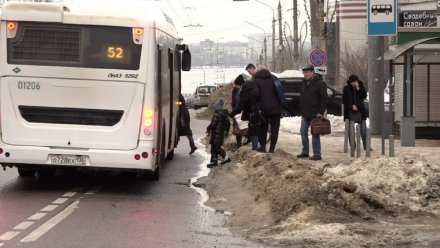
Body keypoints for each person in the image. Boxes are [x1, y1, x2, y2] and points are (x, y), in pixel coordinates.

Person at [297, 64, 328, 160]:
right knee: (303, 132)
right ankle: (305, 151)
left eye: (307, 72)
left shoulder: (319, 83)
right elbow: (302, 96)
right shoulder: (304, 82)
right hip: (305, 112)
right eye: (304, 73)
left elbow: (324, 99)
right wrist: (301, 107)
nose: (305, 74)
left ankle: (317, 154)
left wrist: (321, 112)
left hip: (315, 113)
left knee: (315, 133)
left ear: (312, 72)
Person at [253, 68, 282, 153]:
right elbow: (280, 91)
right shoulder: (273, 78)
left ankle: (263, 147)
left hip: (263, 109)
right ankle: (272, 149)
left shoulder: (256, 80)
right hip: (276, 108)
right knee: (274, 130)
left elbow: (256, 94)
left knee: (262, 129)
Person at [229, 74, 259, 150]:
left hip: (251, 112)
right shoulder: (251, 87)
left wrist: (232, 114)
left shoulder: (245, 91)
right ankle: (256, 147)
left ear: (240, 84)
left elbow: (240, 106)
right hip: (256, 110)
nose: (237, 87)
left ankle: (255, 149)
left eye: (237, 85)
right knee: (254, 130)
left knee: (253, 131)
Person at [342, 74, 368, 150]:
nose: (355, 83)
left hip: (361, 112)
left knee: (363, 130)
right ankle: (353, 146)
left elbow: (364, 96)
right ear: (350, 82)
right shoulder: (346, 89)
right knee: (351, 131)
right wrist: (351, 105)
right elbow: (345, 100)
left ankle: (366, 145)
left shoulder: (360, 87)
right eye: (353, 82)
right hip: (350, 113)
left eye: (356, 81)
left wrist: (358, 88)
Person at [206, 98, 231, 168]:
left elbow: (213, 124)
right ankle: (214, 161)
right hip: (220, 134)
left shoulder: (217, 115)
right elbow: (228, 124)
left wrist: (208, 128)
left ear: (217, 108)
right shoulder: (224, 115)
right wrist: (226, 131)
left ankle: (226, 157)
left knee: (216, 148)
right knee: (214, 148)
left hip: (216, 134)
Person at [231, 74, 244, 148]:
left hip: (238, 112)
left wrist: (235, 112)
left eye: (234, 84)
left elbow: (238, 102)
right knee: (237, 128)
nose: (233, 85)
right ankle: (239, 143)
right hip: (236, 111)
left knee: (240, 128)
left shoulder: (240, 91)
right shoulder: (235, 90)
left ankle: (240, 144)